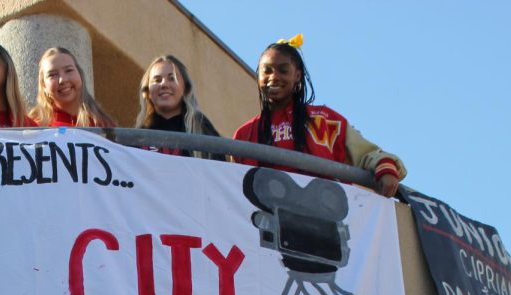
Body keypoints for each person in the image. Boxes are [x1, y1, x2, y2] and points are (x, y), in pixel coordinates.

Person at [232, 36, 405, 197]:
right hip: (264, 222)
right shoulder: (244, 134)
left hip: (323, 220)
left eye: (283, 70)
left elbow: (367, 153)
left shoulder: (324, 119)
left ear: (297, 76)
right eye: (267, 71)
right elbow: (232, 188)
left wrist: (386, 169)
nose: (274, 77)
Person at [134, 54, 223, 160]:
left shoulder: (200, 127)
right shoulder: (137, 138)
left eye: (172, 78)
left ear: (185, 87)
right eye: (157, 80)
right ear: (148, 91)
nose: (164, 84)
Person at [31, 47, 116, 128]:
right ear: (44, 86)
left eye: (68, 70)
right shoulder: (33, 127)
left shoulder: (104, 125)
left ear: (80, 75)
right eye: (52, 75)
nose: (62, 80)